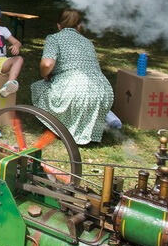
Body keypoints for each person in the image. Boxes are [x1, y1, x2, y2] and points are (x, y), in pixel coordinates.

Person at [30, 9, 113, 145]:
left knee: (39, 88)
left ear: (59, 25)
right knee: (84, 98)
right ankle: (87, 132)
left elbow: (47, 63)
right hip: (103, 91)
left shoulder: (54, 38)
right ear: (79, 26)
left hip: (75, 88)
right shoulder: (88, 42)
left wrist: (44, 75)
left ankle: (62, 128)